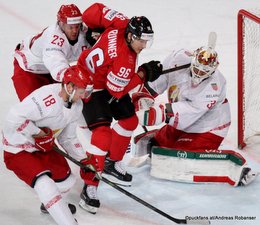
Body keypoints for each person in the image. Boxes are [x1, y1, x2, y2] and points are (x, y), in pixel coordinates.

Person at [76, 3, 162, 214]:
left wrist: (91, 29)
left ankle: (110, 163)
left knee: (130, 121)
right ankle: (90, 186)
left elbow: (93, 10)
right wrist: (143, 74)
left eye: (147, 40)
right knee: (102, 134)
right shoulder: (124, 61)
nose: (144, 45)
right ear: (132, 37)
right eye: (142, 40)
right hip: (88, 85)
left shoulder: (122, 21)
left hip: (106, 77)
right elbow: (118, 92)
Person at [133, 44, 258, 186]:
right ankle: (168, 136)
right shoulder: (178, 58)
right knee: (157, 147)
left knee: (179, 160)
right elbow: (158, 82)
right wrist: (143, 97)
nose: (198, 73)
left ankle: (234, 171)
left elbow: (188, 110)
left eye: (203, 72)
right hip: (183, 121)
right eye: (197, 68)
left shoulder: (214, 85)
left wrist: (157, 113)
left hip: (209, 127)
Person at [2, 65, 99, 225]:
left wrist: (83, 160)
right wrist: (37, 133)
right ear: (70, 87)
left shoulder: (77, 105)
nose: (85, 96)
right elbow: (13, 118)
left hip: (43, 148)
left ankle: (51, 206)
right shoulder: (46, 98)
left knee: (66, 181)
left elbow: (68, 138)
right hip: (18, 148)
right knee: (45, 184)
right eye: (82, 91)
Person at [12, 4, 92, 101]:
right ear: (61, 24)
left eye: (77, 26)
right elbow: (56, 63)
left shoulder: (84, 32)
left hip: (49, 71)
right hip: (29, 71)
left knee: (64, 105)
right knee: (35, 107)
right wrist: (72, 77)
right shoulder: (53, 38)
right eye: (70, 27)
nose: (75, 31)